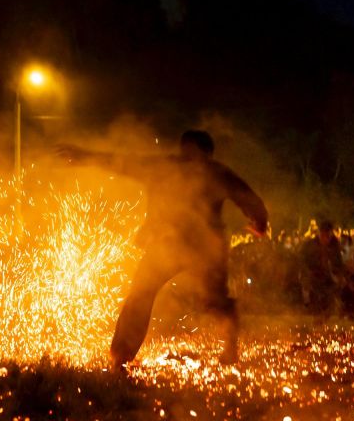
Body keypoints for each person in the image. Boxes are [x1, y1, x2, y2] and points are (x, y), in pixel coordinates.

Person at [56, 130, 268, 369]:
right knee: (141, 296)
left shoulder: (214, 173)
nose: (190, 157)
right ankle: (121, 357)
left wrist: (259, 219)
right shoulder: (176, 168)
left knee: (214, 300)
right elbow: (124, 163)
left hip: (203, 246)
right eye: (186, 150)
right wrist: (87, 156)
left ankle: (229, 349)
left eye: (193, 152)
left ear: (205, 154)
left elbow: (247, 197)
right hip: (169, 244)